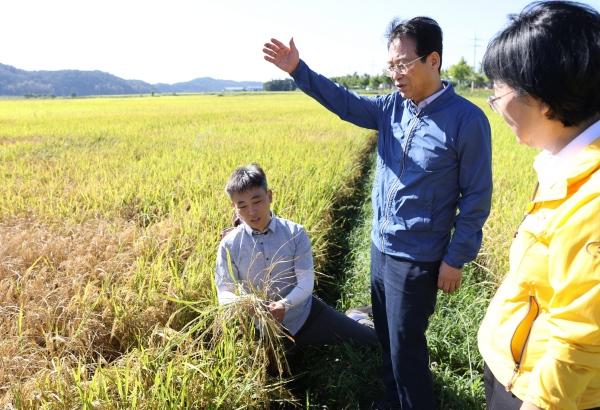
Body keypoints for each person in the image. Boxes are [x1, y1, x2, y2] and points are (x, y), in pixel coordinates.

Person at [263, 17, 492, 410]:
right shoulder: (391, 109)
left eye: (403, 64)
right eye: (391, 65)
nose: (395, 74)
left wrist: (455, 259)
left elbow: (476, 198)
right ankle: (393, 399)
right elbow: (344, 102)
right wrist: (298, 70)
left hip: (418, 257)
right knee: (387, 337)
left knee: (406, 347)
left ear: (433, 60)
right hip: (380, 248)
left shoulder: (466, 121)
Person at [477, 2, 600, 409]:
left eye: (499, 90)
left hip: (538, 392)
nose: (495, 104)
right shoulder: (562, 163)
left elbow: (578, 338)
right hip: (515, 370)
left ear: (544, 97)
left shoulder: (594, 197)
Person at [215, 163, 378, 353]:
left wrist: (284, 305)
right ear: (234, 207)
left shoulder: (295, 233)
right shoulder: (229, 244)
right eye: (242, 205)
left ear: (269, 196)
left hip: (306, 315)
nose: (251, 212)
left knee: (372, 341)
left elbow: (306, 282)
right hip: (264, 329)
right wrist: (247, 303)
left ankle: (356, 316)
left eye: (257, 201)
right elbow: (224, 293)